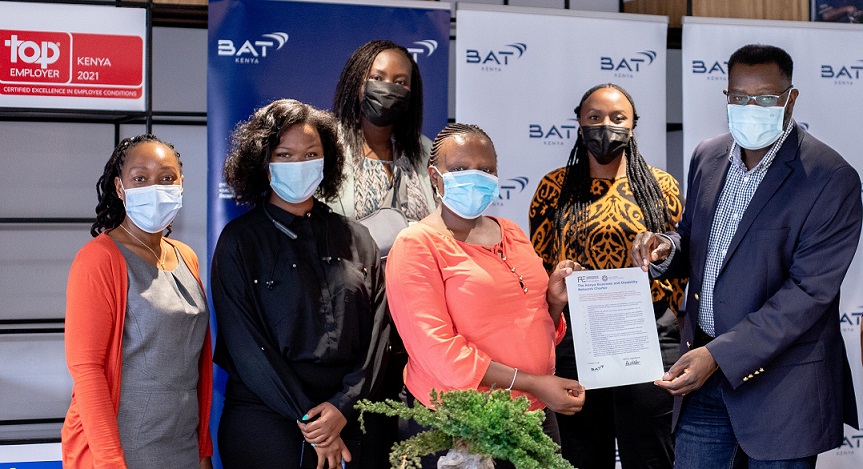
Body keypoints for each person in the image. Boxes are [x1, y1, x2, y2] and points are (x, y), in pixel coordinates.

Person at [632, 44, 862, 468]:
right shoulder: (707, 155)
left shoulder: (831, 178)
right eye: (739, 97)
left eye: (765, 98)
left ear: (790, 99)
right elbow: (694, 239)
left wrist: (719, 355)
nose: (750, 108)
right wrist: (666, 247)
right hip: (700, 378)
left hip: (782, 389)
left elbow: (808, 293)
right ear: (727, 95)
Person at [386, 123, 586, 469]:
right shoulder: (416, 245)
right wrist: (536, 384)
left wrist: (554, 302)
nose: (475, 177)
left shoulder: (512, 232)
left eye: (486, 169)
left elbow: (533, 328)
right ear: (434, 177)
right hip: (461, 424)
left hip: (533, 413)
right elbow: (440, 355)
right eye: (460, 168)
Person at [211, 99, 388, 469]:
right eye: (284, 155)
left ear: (328, 160)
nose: (299, 164)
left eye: (311, 154)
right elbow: (246, 345)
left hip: (350, 416)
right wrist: (313, 422)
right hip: (266, 421)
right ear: (263, 162)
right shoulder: (240, 241)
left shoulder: (357, 238)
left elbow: (378, 334)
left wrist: (341, 406)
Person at [529, 83, 685, 469]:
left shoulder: (662, 187)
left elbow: (680, 263)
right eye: (594, 117)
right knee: (578, 457)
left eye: (617, 118)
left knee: (651, 457)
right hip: (576, 342)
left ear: (633, 126)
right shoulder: (553, 188)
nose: (605, 126)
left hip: (647, 338)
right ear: (580, 125)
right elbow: (540, 265)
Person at [62, 134, 213, 468]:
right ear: (120, 187)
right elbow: (87, 370)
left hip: (183, 445)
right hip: (123, 449)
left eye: (167, 178)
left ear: (182, 184)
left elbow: (193, 365)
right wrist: (110, 462)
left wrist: (203, 449)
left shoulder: (186, 256)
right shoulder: (98, 260)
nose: (155, 187)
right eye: (140, 178)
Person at [329, 39, 436, 221]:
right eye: (377, 78)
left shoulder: (426, 151)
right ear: (356, 83)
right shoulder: (329, 145)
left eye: (400, 82)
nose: (387, 88)